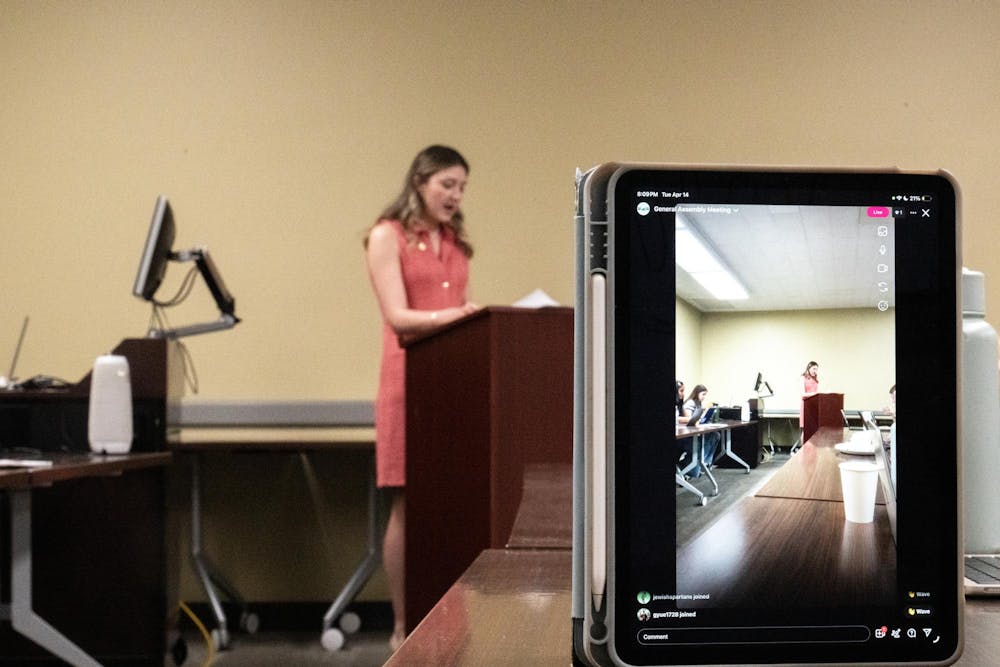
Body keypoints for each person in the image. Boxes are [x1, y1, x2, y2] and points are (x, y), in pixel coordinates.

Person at [364, 145, 479, 650]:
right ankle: (403, 624)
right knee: (408, 503)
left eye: (462, 187)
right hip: (406, 385)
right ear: (420, 182)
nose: (455, 195)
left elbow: (459, 311)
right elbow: (398, 317)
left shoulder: (456, 244)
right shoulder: (386, 235)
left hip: (451, 382)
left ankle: (449, 619)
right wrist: (458, 316)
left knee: (454, 501)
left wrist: (470, 318)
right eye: (447, 184)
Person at [682, 384, 721, 477]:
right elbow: (690, 419)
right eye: (703, 394)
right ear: (697, 393)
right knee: (702, 443)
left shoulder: (697, 403)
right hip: (687, 435)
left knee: (715, 435)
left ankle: (705, 463)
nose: (704, 397)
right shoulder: (690, 403)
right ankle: (694, 464)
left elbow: (697, 419)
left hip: (694, 433)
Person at [799, 361, 820, 428]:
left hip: (814, 405)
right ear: (809, 368)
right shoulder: (803, 378)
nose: (815, 371)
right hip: (806, 405)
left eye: (816, 369)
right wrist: (816, 393)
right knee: (806, 428)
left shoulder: (815, 379)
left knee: (814, 428)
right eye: (814, 369)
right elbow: (803, 394)